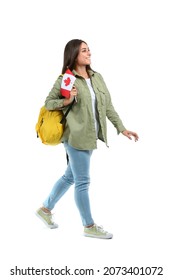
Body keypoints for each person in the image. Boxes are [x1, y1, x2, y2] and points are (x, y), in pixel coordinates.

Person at [36, 39, 139, 239]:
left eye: (89, 49)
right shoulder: (66, 79)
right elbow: (48, 103)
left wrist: (122, 128)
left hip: (91, 136)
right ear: (74, 54)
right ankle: (89, 226)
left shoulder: (97, 77)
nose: (89, 53)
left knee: (71, 176)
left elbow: (108, 106)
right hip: (75, 136)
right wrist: (67, 100)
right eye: (84, 50)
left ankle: (45, 210)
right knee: (82, 181)